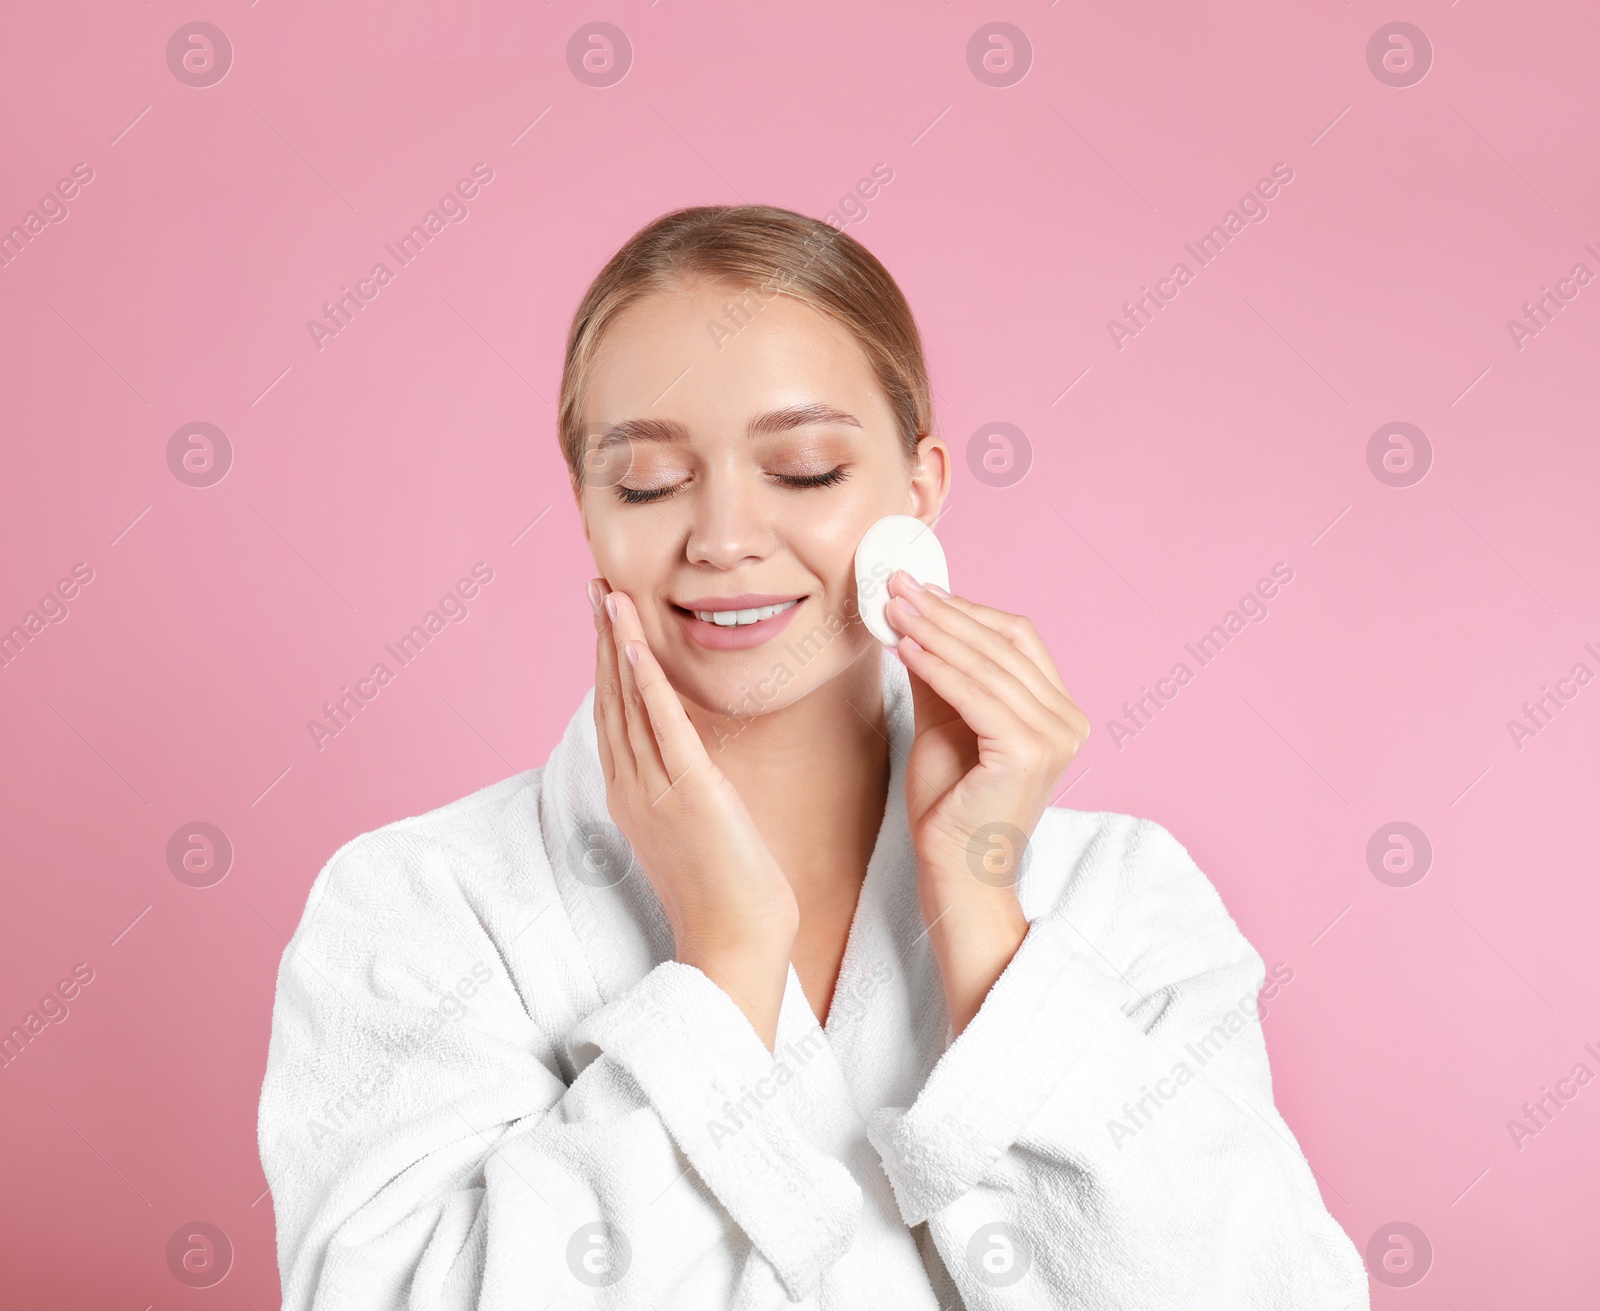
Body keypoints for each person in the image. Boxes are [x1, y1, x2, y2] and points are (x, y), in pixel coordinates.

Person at [258, 205, 1371, 1309]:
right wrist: (724, 963)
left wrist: (983, 917)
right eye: (646, 481)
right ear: (589, 511)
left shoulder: (1122, 898)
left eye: (802, 470)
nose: (724, 537)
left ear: (918, 490)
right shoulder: (417, 907)